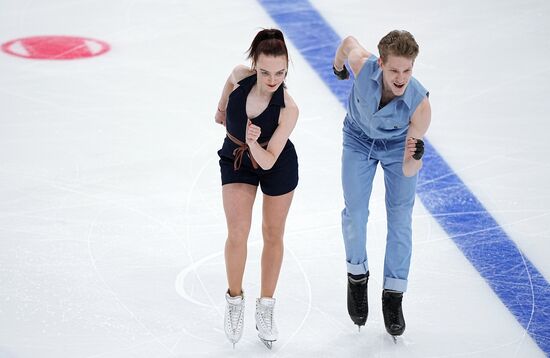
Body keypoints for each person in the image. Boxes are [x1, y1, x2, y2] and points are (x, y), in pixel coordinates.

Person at [332, 30, 431, 339]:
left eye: (407, 70)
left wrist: (415, 156)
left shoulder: (420, 105)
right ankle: (357, 278)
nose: (401, 78)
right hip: (357, 141)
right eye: (394, 70)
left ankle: (393, 295)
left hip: (396, 148)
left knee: (401, 217)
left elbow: (408, 168)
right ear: (380, 63)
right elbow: (348, 42)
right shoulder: (362, 65)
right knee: (356, 213)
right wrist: (338, 67)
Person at [214, 28, 299, 349]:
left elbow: (268, 160)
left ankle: (266, 308)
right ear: (254, 65)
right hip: (236, 160)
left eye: (280, 72)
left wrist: (253, 142)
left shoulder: (288, 109)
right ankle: (234, 301)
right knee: (237, 231)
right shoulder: (240, 76)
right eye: (265, 71)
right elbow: (228, 85)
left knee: (272, 233)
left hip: (274, 163)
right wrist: (222, 107)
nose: (272, 79)